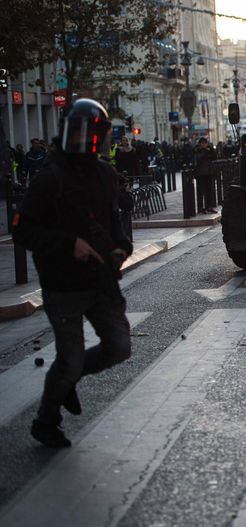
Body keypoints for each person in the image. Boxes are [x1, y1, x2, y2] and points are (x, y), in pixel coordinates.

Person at [12, 99, 133, 448]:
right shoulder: (49, 179)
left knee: (119, 346)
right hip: (63, 284)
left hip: (101, 281)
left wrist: (121, 247)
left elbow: (115, 222)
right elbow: (22, 231)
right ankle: (46, 420)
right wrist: (69, 245)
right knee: (70, 357)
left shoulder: (106, 175)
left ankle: (67, 381)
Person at [193, 137, 216, 213]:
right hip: (200, 173)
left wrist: (211, 149)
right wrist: (205, 152)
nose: (204, 145)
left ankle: (209, 206)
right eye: (203, 143)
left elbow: (214, 157)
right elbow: (198, 159)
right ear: (200, 143)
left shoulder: (209, 149)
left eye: (205, 143)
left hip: (208, 173)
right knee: (200, 191)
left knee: (209, 191)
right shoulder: (197, 150)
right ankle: (200, 207)